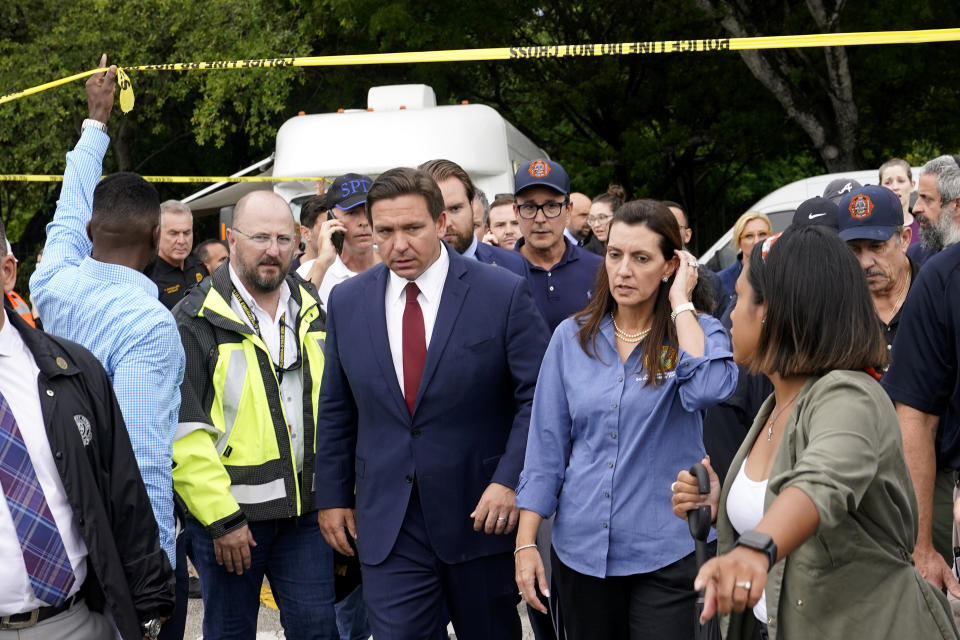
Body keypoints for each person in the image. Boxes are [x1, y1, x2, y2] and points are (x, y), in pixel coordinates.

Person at [671, 226, 958, 640]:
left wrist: (756, 548)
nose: (730, 313)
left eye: (740, 297)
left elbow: (823, 480)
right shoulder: (774, 404)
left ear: (774, 310)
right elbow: (782, 497)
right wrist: (723, 501)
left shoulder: (848, 395)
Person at [314, 167, 549, 640]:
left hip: (480, 515)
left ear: (441, 224)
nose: (398, 244)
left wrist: (509, 480)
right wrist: (334, 496)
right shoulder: (348, 301)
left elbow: (539, 400)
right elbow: (338, 406)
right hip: (389, 519)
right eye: (385, 231)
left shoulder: (500, 293)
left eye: (412, 228)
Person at [515, 199, 737, 640]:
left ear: (671, 265)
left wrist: (680, 302)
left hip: (666, 553)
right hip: (579, 551)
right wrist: (526, 542)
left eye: (641, 258)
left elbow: (707, 387)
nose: (623, 271)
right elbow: (545, 448)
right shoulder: (571, 338)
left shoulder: (697, 331)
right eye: (614, 255)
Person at [28, 56, 185, 637]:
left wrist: (96, 122)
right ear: (156, 238)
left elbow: (68, 215)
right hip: (128, 563)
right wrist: (156, 581)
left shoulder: (52, 285)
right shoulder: (148, 324)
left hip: (71, 536)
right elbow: (144, 464)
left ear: (94, 234)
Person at [172, 190, 337, 639]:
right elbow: (184, 433)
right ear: (232, 237)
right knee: (230, 633)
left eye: (285, 239)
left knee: (320, 629)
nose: (273, 250)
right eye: (260, 237)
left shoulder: (312, 306)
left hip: (307, 513)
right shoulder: (195, 319)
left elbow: (335, 407)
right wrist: (221, 519)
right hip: (231, 523)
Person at [0, 219, 175, 640]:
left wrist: (149, 604)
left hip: (73, 622)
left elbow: (124, 492)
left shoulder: (72, 370)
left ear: (7, 271)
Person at [883, 164, 960, 599]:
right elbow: (916, 416)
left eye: (925, 200)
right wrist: (923, 546)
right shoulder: (941, 279)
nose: (914, 209)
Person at [513, 159, 603, 332]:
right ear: (516, 212)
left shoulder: (599, 269)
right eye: (529, 207)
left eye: (552, 206)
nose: (540, 219)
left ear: (568, 211)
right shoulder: (499, 273)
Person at [837, 185, 917, 358]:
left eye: (877, 247)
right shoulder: (836, 304)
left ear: (904, 239)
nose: (865, 263)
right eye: (854, 250)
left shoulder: (935, 291)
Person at [420, 159, 528, 277]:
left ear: (471, 206)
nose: (447, 223)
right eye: (435, 211)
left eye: (455, 209)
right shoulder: (403, 274)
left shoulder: (514, 264)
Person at [298, 174, 379, 311]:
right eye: (352, 213)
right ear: (331, 218)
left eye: (368, 212)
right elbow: (295, 317)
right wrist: (322, 264)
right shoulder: (311, 271)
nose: (364, 222)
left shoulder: (396, 265)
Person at [146, 201, 209, 310]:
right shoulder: (147, 277)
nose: (181, 240)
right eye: (173, 233)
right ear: (157, 234)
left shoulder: (199, 267)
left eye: (187, 233)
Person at [716, 211, 771, 310]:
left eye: (762, 234)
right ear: (739, 242)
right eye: (749, 236)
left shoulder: (780, 274)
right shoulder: (720, 280)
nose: (757, 241)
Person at [911, 155, 960, 266]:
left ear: (957, 204)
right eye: (918, 197)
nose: (915, 208)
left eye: (926, 198)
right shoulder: (914, 257)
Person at [879, 157, 918, 245]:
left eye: (901, 181)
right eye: (888, 182)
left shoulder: (926, 226)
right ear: (880, 188)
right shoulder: (872, 228)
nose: (895, 187)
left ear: (912, 186)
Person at [581, 185, 624, 256]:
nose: (596, 225)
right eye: (592, 219)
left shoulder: (635, 245)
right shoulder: (586, 254)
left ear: (618, 216)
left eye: (602, 217)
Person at [291, 194, 327, 272]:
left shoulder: (351, 269)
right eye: (326, 228)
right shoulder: (287, 276)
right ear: (306, 233)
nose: (333, 232)